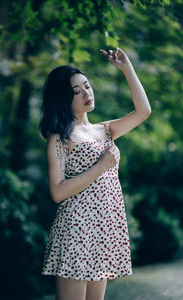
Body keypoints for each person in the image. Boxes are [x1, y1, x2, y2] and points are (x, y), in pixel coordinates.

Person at [39, 47, 151, 300]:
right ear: (63, 100)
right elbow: (57, 191)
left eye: (87, 86)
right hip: (76, 229)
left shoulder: (106, 130)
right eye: (76, 92)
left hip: (103, 229)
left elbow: (143, 111)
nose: (86, 94)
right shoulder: (60, 137)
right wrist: (100, 166)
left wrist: (126, 68)